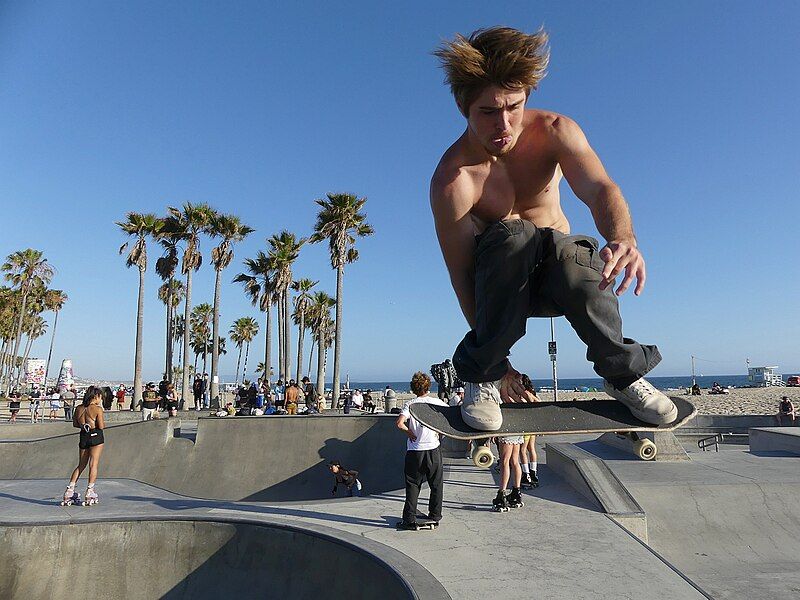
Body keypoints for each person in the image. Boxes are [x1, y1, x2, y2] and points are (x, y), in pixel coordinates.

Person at [430, 27, 677, 432]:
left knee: (568, 249)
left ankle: (624, 376)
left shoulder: (556, 131)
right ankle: (481, 376)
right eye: (488, 112)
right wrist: (498, 365)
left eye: (513, 107)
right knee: (516, 234)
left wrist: (624, 238)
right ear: (464, 109)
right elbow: (462, 276)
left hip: (566, 278)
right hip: (503, 289)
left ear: (527, 96)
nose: (503, 124)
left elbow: (600, 189)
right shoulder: (453, 181)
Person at [395, 372, 447, 529]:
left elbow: (399, 423)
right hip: (433, 449)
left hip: (415, 451)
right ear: (428, 386)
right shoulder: (436, 402)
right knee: (436, 485)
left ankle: (409, 519)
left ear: (413, 388)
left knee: (413, 485)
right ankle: (435, 515)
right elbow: (450, 418)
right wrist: (441, 432)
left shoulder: (410, 404)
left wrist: (410, 432)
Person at [61, 386, 105, 506]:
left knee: (81, 465)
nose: (100, 399)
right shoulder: (97, 409)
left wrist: (83, 425)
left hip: (84, 435)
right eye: (100, 397)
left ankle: (70, 490)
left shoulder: (79, 408)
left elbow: (75, 423)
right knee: (93, 463)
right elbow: (101, 426)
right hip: (96, 436)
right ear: (95, 396)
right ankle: (90, 490)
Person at [518, 374, 540, 489]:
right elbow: (538, 402)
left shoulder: (524, 394)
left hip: (525, 425)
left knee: (522, 450)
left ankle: (526, 474)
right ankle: (533, 473)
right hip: (533, 424)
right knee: (531, 449)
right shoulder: (532, 393)